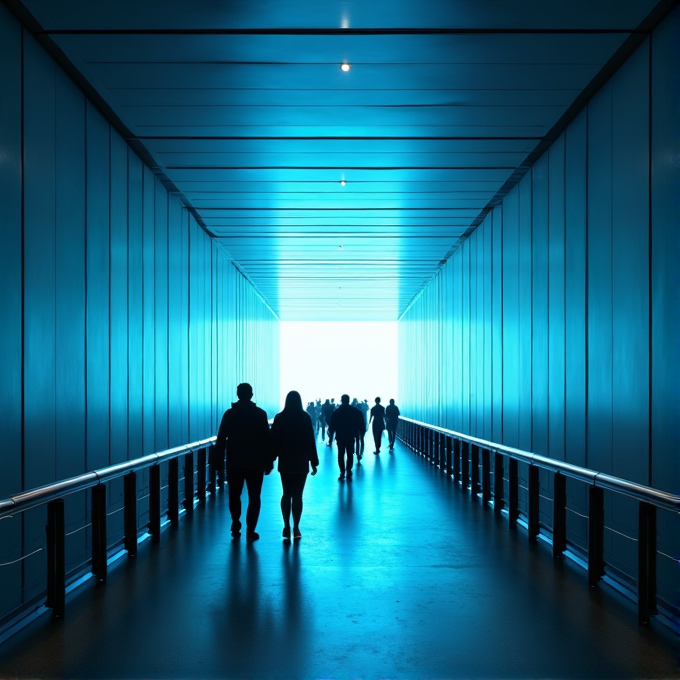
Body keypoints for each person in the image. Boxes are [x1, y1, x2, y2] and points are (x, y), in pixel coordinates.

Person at [215, 383, 271, 541]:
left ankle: (235, 522)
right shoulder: (260, 414)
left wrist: (218, 461)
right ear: (251, 395)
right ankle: (250, 530)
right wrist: (268, 462)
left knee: (234, 495)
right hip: (256, 463)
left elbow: (221, 439)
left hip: (234, 462)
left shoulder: (229, 414)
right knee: (254, 497)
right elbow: (267, 440)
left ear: (237, 395)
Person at [270, 391, 319, 540]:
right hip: (301, 461)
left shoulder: (280, 418)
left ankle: (286, 526)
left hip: (285, 461)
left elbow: (274, 440)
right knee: (298, 495)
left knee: (286, 494)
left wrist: (271, 459)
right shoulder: (305, 418)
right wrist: (314, 462)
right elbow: (310, 441)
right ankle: (296, 528)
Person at [328, 394, 366, 481]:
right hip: (351, 436)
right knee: (350, 454)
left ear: (342, 400)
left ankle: (342, 472)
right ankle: (348, 471)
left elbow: (331, 427)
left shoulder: (336, 412)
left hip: (340, 436)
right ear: (349, 400)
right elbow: (361, 425)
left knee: (340, 454)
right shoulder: (356, 411)